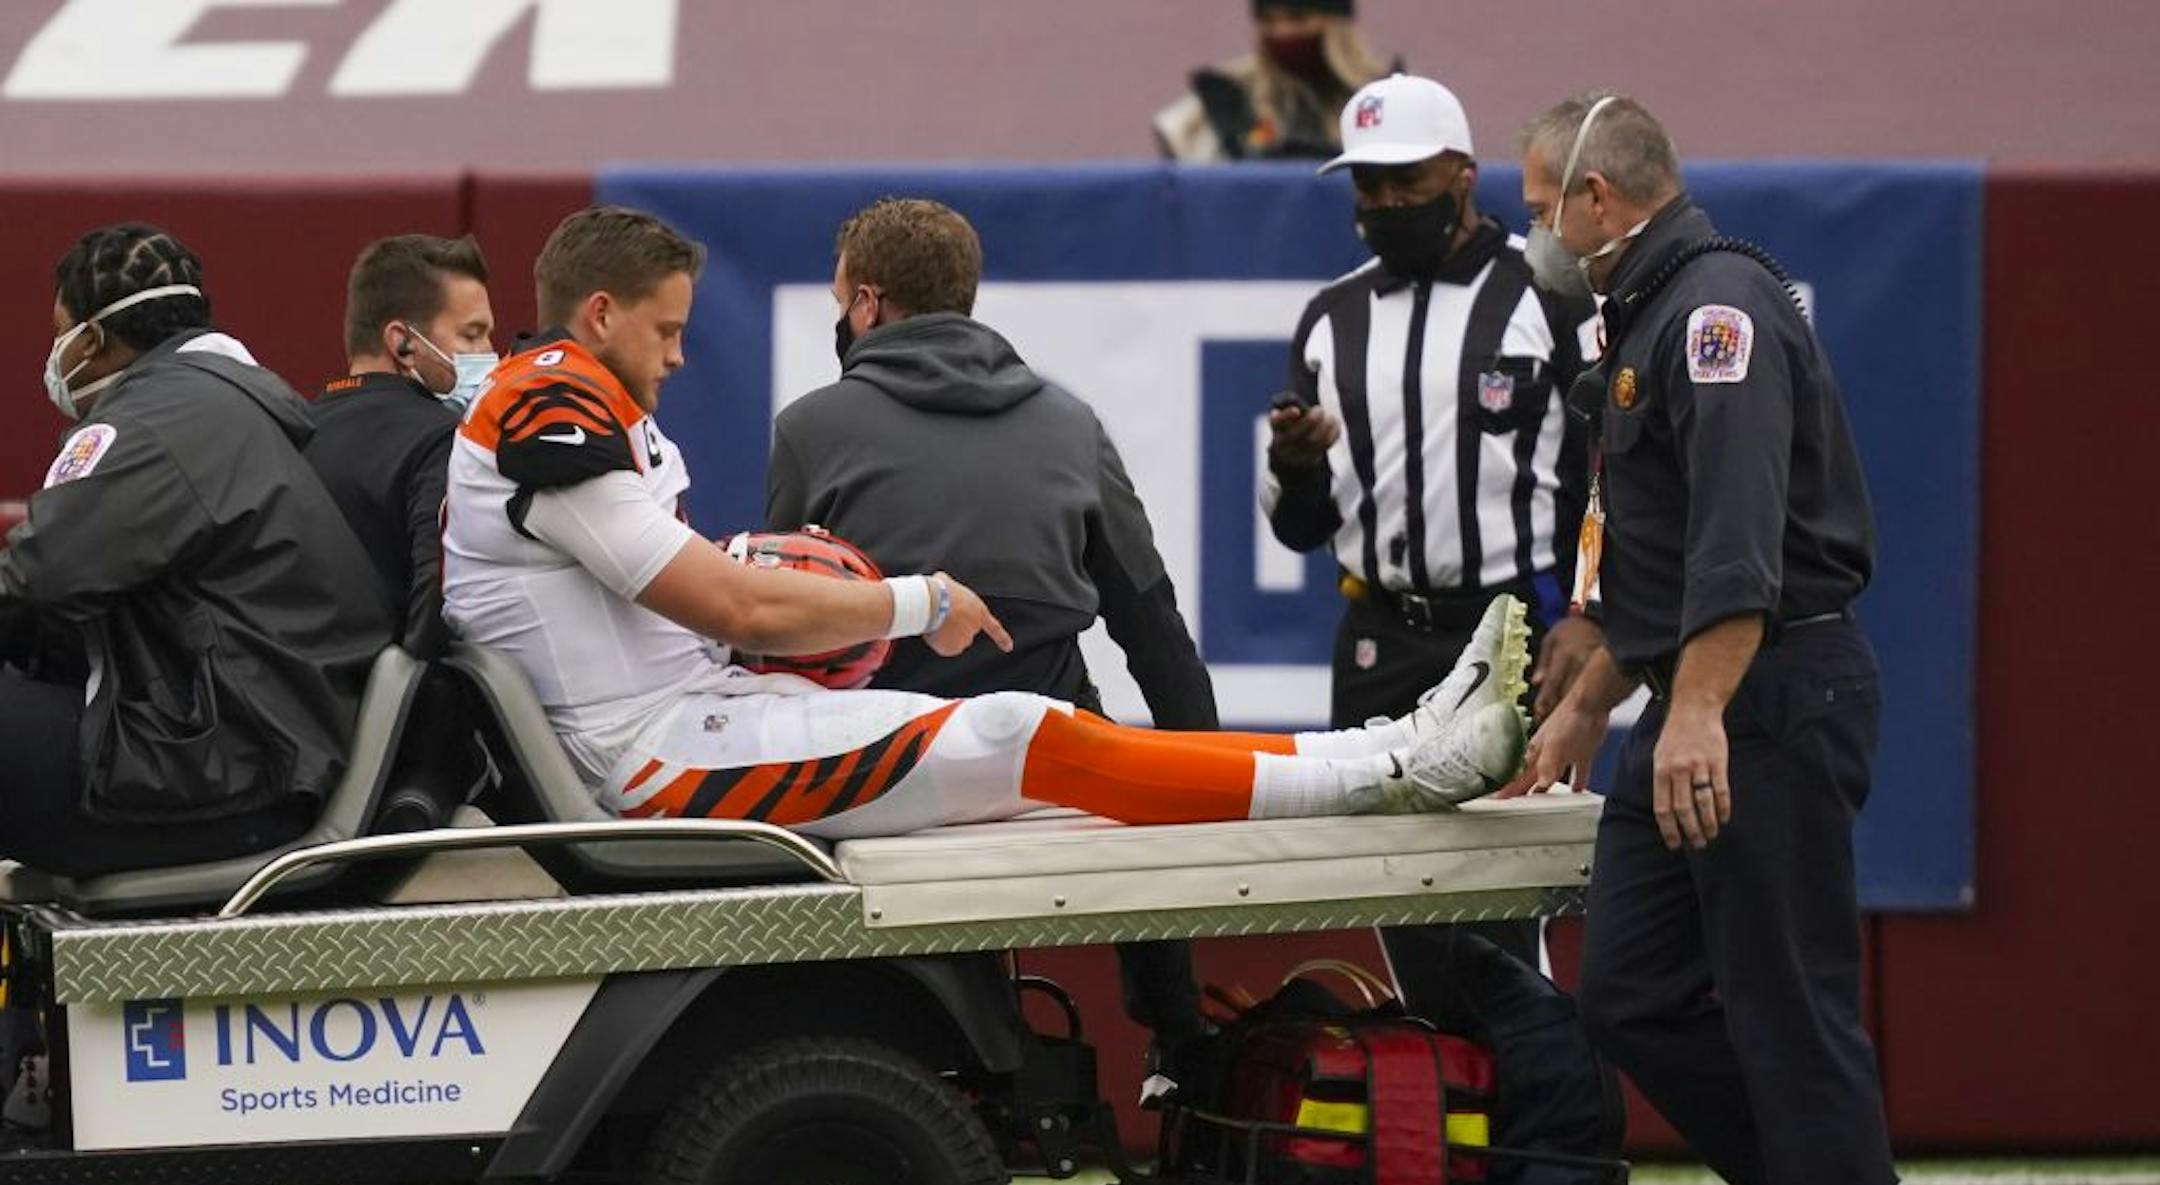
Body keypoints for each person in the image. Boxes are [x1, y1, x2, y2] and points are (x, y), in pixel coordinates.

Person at [442, 206, 1529, 848]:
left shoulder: (575, 399)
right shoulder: (547, 399)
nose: (679, 357)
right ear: (599, 316)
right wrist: (915, 600)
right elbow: (734, 606)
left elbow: (716, 603)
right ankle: (1381, 769)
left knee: (1035, 741)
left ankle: (1389, 749)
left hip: (694, 716)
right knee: (1023, 734)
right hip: (650, 756)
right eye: (666, 330)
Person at [1508, 92, 1952, 1185]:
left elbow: (1740, 542)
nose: (1534, 236)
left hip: (1765, 695)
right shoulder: (1646, 312)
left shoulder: (1715, 317)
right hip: (1697, 695)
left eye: (1543, 212)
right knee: (1634, 994)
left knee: (1788, 1007)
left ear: (1602, 199)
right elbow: (1653, 547)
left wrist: (1694, 709)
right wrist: (1594, 704)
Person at [1265, 74, 1610, 1185]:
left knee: (1502, 920)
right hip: (1379, 632)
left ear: (1464, 175)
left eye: (1407, 181)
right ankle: (1444, 1184)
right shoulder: (1329, 318)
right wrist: (1295, 467)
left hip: (1514, 624)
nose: (1384, 204)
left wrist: (1583, 620)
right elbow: (1302, 532)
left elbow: (1609, 471)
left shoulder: (1545, 297)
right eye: (1366, 185)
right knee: (1403, 914)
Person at [768, 196, 1219, 1068]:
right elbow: (1150, 622)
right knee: (1112, 736)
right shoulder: (1072, 423)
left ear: (866, 303)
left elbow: (786, 624)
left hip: (884, 754)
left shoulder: (809, 430)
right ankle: (1182, 1047)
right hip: (1051, 741)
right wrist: (1200, 778)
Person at [0, 224, 394, 876]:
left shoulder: (160, 419)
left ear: (92, 340)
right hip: (257, 738)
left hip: (230, 768)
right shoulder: (232, 400)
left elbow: (37, 581)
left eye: (60, 334)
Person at [307, 234, 499, 659]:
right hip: (394, 711)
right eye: (472, 334)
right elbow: (442, 600)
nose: (490, 353)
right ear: (403, 343)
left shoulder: (292, 431)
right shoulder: (445, 442)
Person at [1154, 2, 1391, 163]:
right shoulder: (1220, 107)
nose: (1281, 32)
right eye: (1268, 20)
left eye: (1298, 18)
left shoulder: (1385, 102)